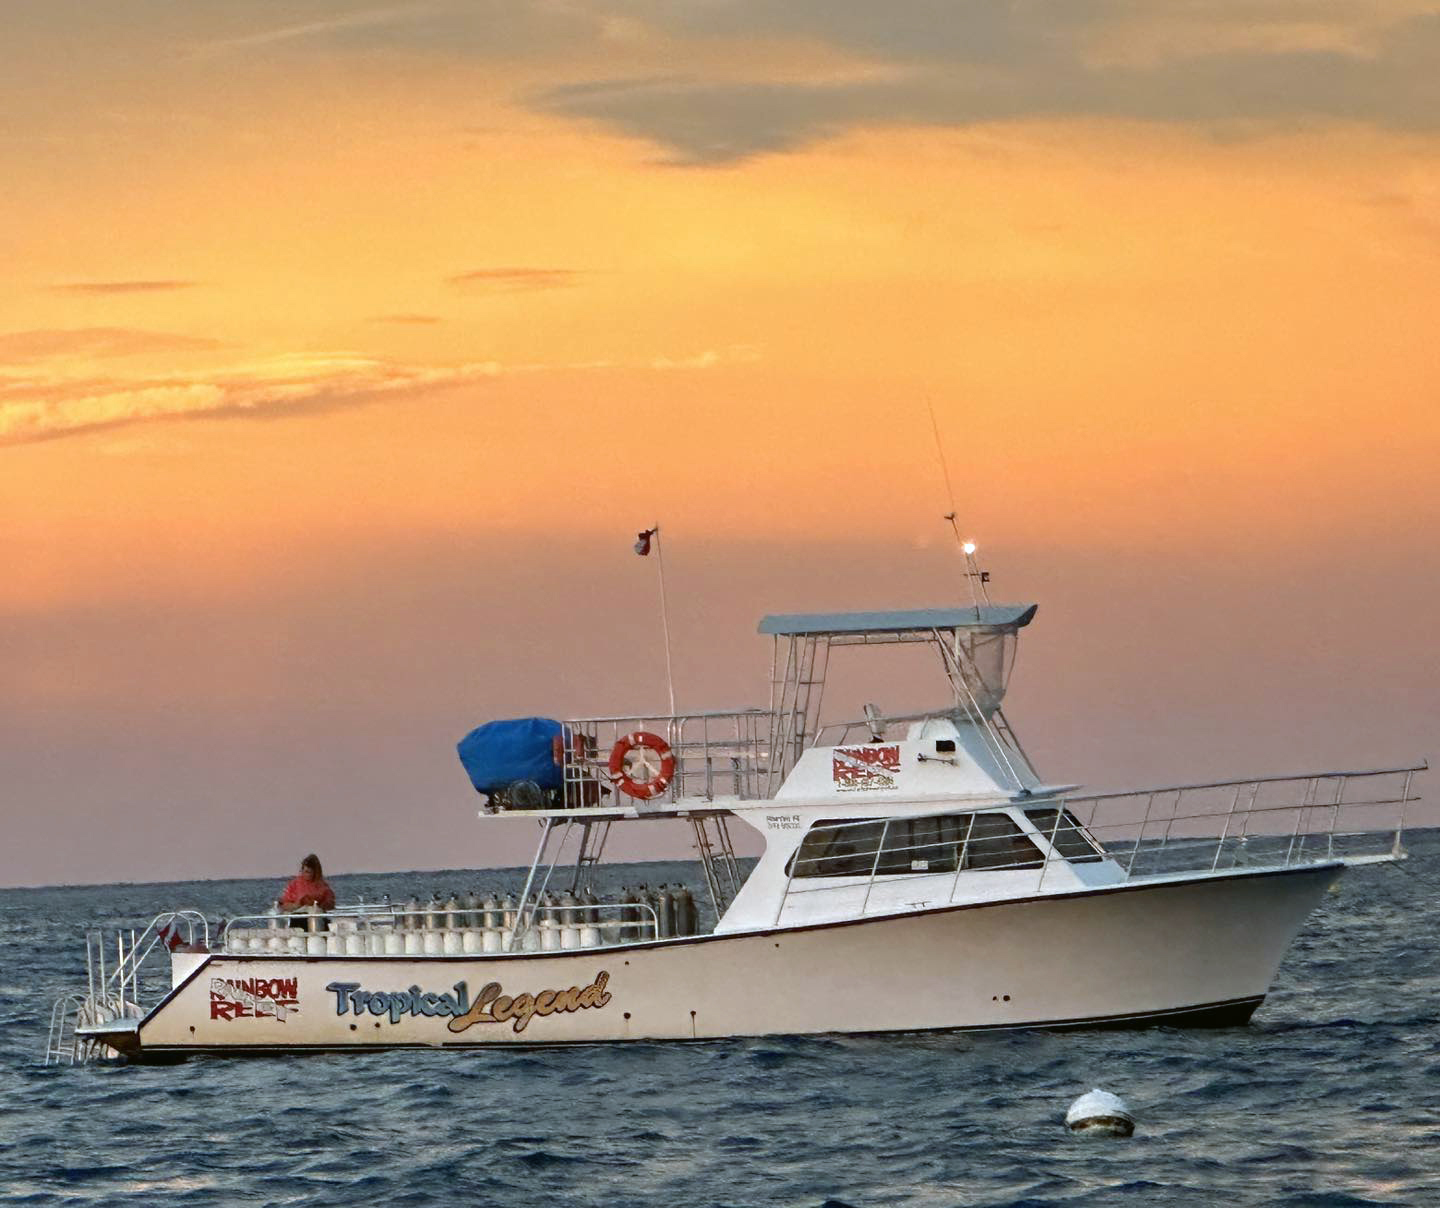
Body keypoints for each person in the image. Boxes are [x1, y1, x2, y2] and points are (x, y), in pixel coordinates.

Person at [278, 853, 335, 926]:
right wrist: (299, 904)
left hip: (317, 918)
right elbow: (284, 905)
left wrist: (318, 904)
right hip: (299, 918)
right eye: (304, 871)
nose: (306, 874)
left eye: (309, 872)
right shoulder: (294, 885)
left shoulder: (323, 886)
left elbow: (330, 904)